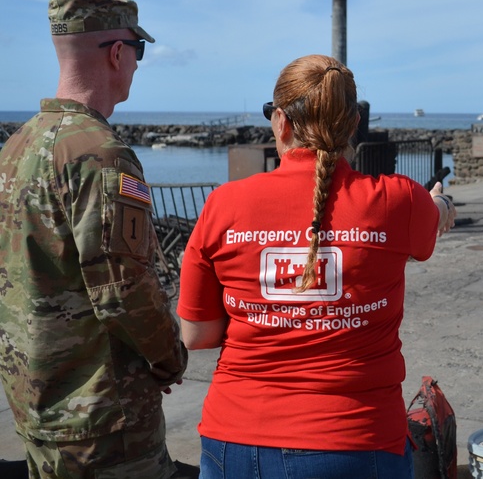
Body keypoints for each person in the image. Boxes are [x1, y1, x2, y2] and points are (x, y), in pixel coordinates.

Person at [177, 54, 456, 479]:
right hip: (357, 442)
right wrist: (440, 202)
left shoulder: (224, 204)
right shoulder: (398, 201)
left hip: (235, 437)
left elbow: (197, 335)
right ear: (352, 125)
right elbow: (435, 214)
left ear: (282, 122)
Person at [0, 0, 189, 478]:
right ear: (117, 53)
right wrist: (169, 357)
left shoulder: (15, 148)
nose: (137, 64)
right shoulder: (102, 154)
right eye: (138, 51)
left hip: (37, 406)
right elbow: (123, 290)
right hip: (104, 424)